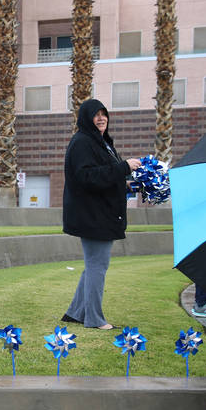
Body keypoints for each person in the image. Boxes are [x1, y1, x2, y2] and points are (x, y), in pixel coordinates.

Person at [60, 99, 141, 330]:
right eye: (95, 115)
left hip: (101, 215)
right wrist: (124, 167)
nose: (101, 118)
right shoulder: (82, 142)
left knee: (94, 265)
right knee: (97, 266)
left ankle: (76, 313)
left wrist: (126, 185)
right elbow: (87, 177)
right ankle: (94, 319)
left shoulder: (101, 143)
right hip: (92, 217)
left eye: (103, 113)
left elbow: (103, 177)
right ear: (86, 118)